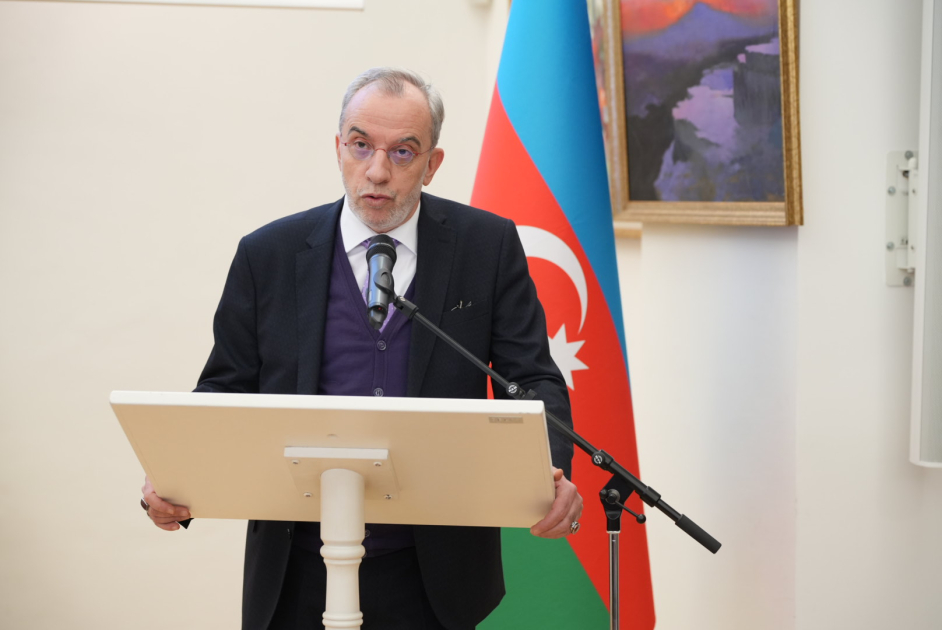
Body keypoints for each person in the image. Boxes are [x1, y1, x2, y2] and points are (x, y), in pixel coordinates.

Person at [141, 67, 583, 630]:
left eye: (403, 152)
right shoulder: (267, 255)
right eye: (360, 146)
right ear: (338, 148)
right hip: (296, 570)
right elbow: (225, 388)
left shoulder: (486, 246)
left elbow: (532, 378)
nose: (377, 171)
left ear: (432, 164)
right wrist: (175, 478)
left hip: (435, 574)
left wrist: (547, 470)